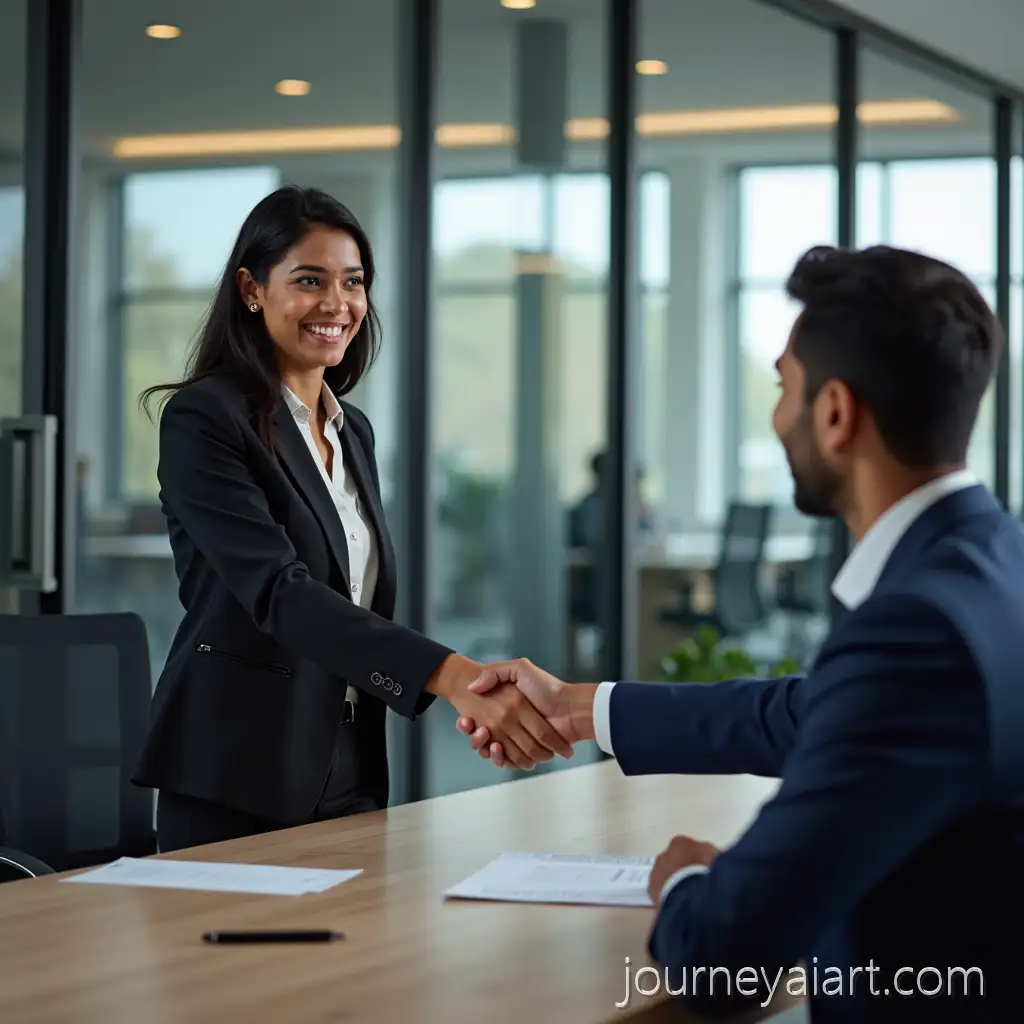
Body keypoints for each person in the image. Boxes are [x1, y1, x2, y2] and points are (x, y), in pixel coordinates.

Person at [459, 244, 1024, 1022]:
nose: (776, 416)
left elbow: (721, 958)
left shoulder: (917, 630)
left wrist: (686, 880)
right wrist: (581, 707)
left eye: (783, 388)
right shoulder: (998, 567)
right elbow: (814, 712)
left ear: (835, 414)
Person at [131, 186, 570, 852]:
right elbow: (281, 592)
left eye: (353, 283)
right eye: (310, 281)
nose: (337, 304)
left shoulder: (351, 431)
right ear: (252, 290)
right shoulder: (205, 419)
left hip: (351, 761)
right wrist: (453, 677)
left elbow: (352, 593)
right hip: (239, 769)